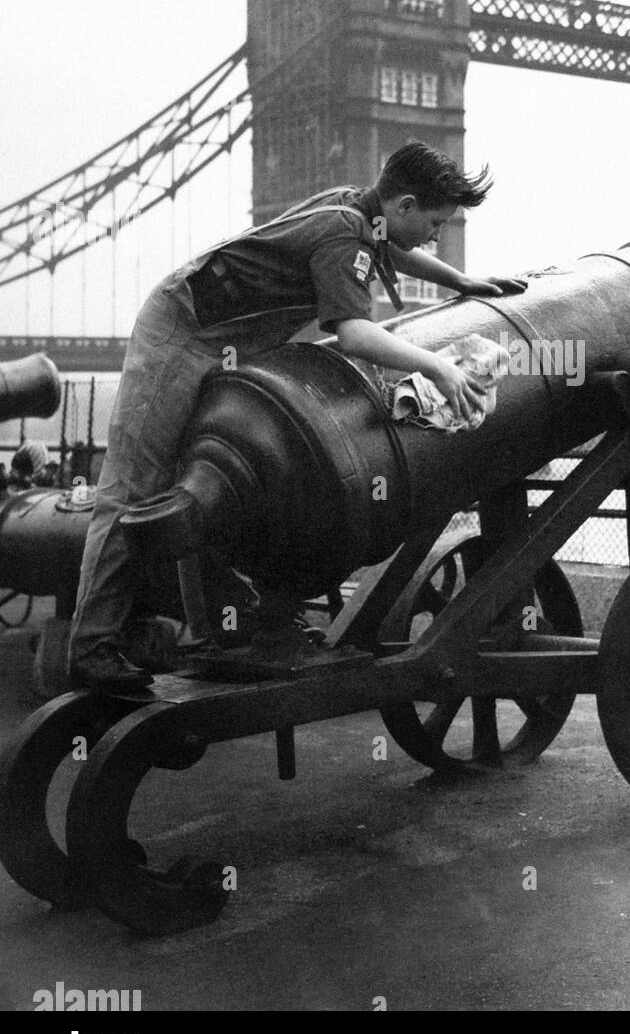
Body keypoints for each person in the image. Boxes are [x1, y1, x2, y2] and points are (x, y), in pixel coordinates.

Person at [70, 140, 528, 693]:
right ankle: (92, 649)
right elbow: (353, 333)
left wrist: (461, 282)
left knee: (195, 485)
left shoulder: (357, 209)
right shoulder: (345, 234)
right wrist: (438, 368)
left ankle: (195, 628)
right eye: (434, 222)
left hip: (222, 339)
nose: (436, 235)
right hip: (183, 332)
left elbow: (394, 250)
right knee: (133, 487)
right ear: (403, 205)